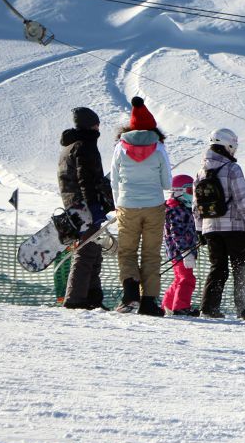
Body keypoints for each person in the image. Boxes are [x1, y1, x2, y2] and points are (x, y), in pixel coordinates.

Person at [110, 97, 172, 315]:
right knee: (151, 253)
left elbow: (114, 180)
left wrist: (118, 204)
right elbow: (167, 182)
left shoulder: (120, 147)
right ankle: (149, 302)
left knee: (127, 251)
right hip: (154, 205)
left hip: (127, 204)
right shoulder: (159, 148)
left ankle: (130, 295)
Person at [192, 128, 245, 318]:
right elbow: (242, 201)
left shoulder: (200, 172)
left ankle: (209, 308)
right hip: (234, 228)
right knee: (240, 268)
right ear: (228, 145)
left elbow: (195, 206)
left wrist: (199, 230)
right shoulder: (232, 169)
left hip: (209, 229)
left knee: (217, 268)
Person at [58, 106, 114, 310]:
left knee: (93, 250)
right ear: (91, 124)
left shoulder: (70, 145)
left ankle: (92, 298)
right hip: (84, 207)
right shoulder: (84, 145)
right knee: (86, 251)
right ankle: (75, 299)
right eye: (96, 123)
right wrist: (93, 206)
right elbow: (86, 179)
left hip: (74, 205)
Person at [162, 174, 199, 316]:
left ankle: (168, 305)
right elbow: (176, 232)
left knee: (179, 279)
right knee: (187, 278)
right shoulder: (176, 209)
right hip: (180, 251)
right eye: (190, 191)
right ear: (178, 191)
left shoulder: (182, 208)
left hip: (180, 251)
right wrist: (185, 251)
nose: (192, 195)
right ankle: (181, 307)